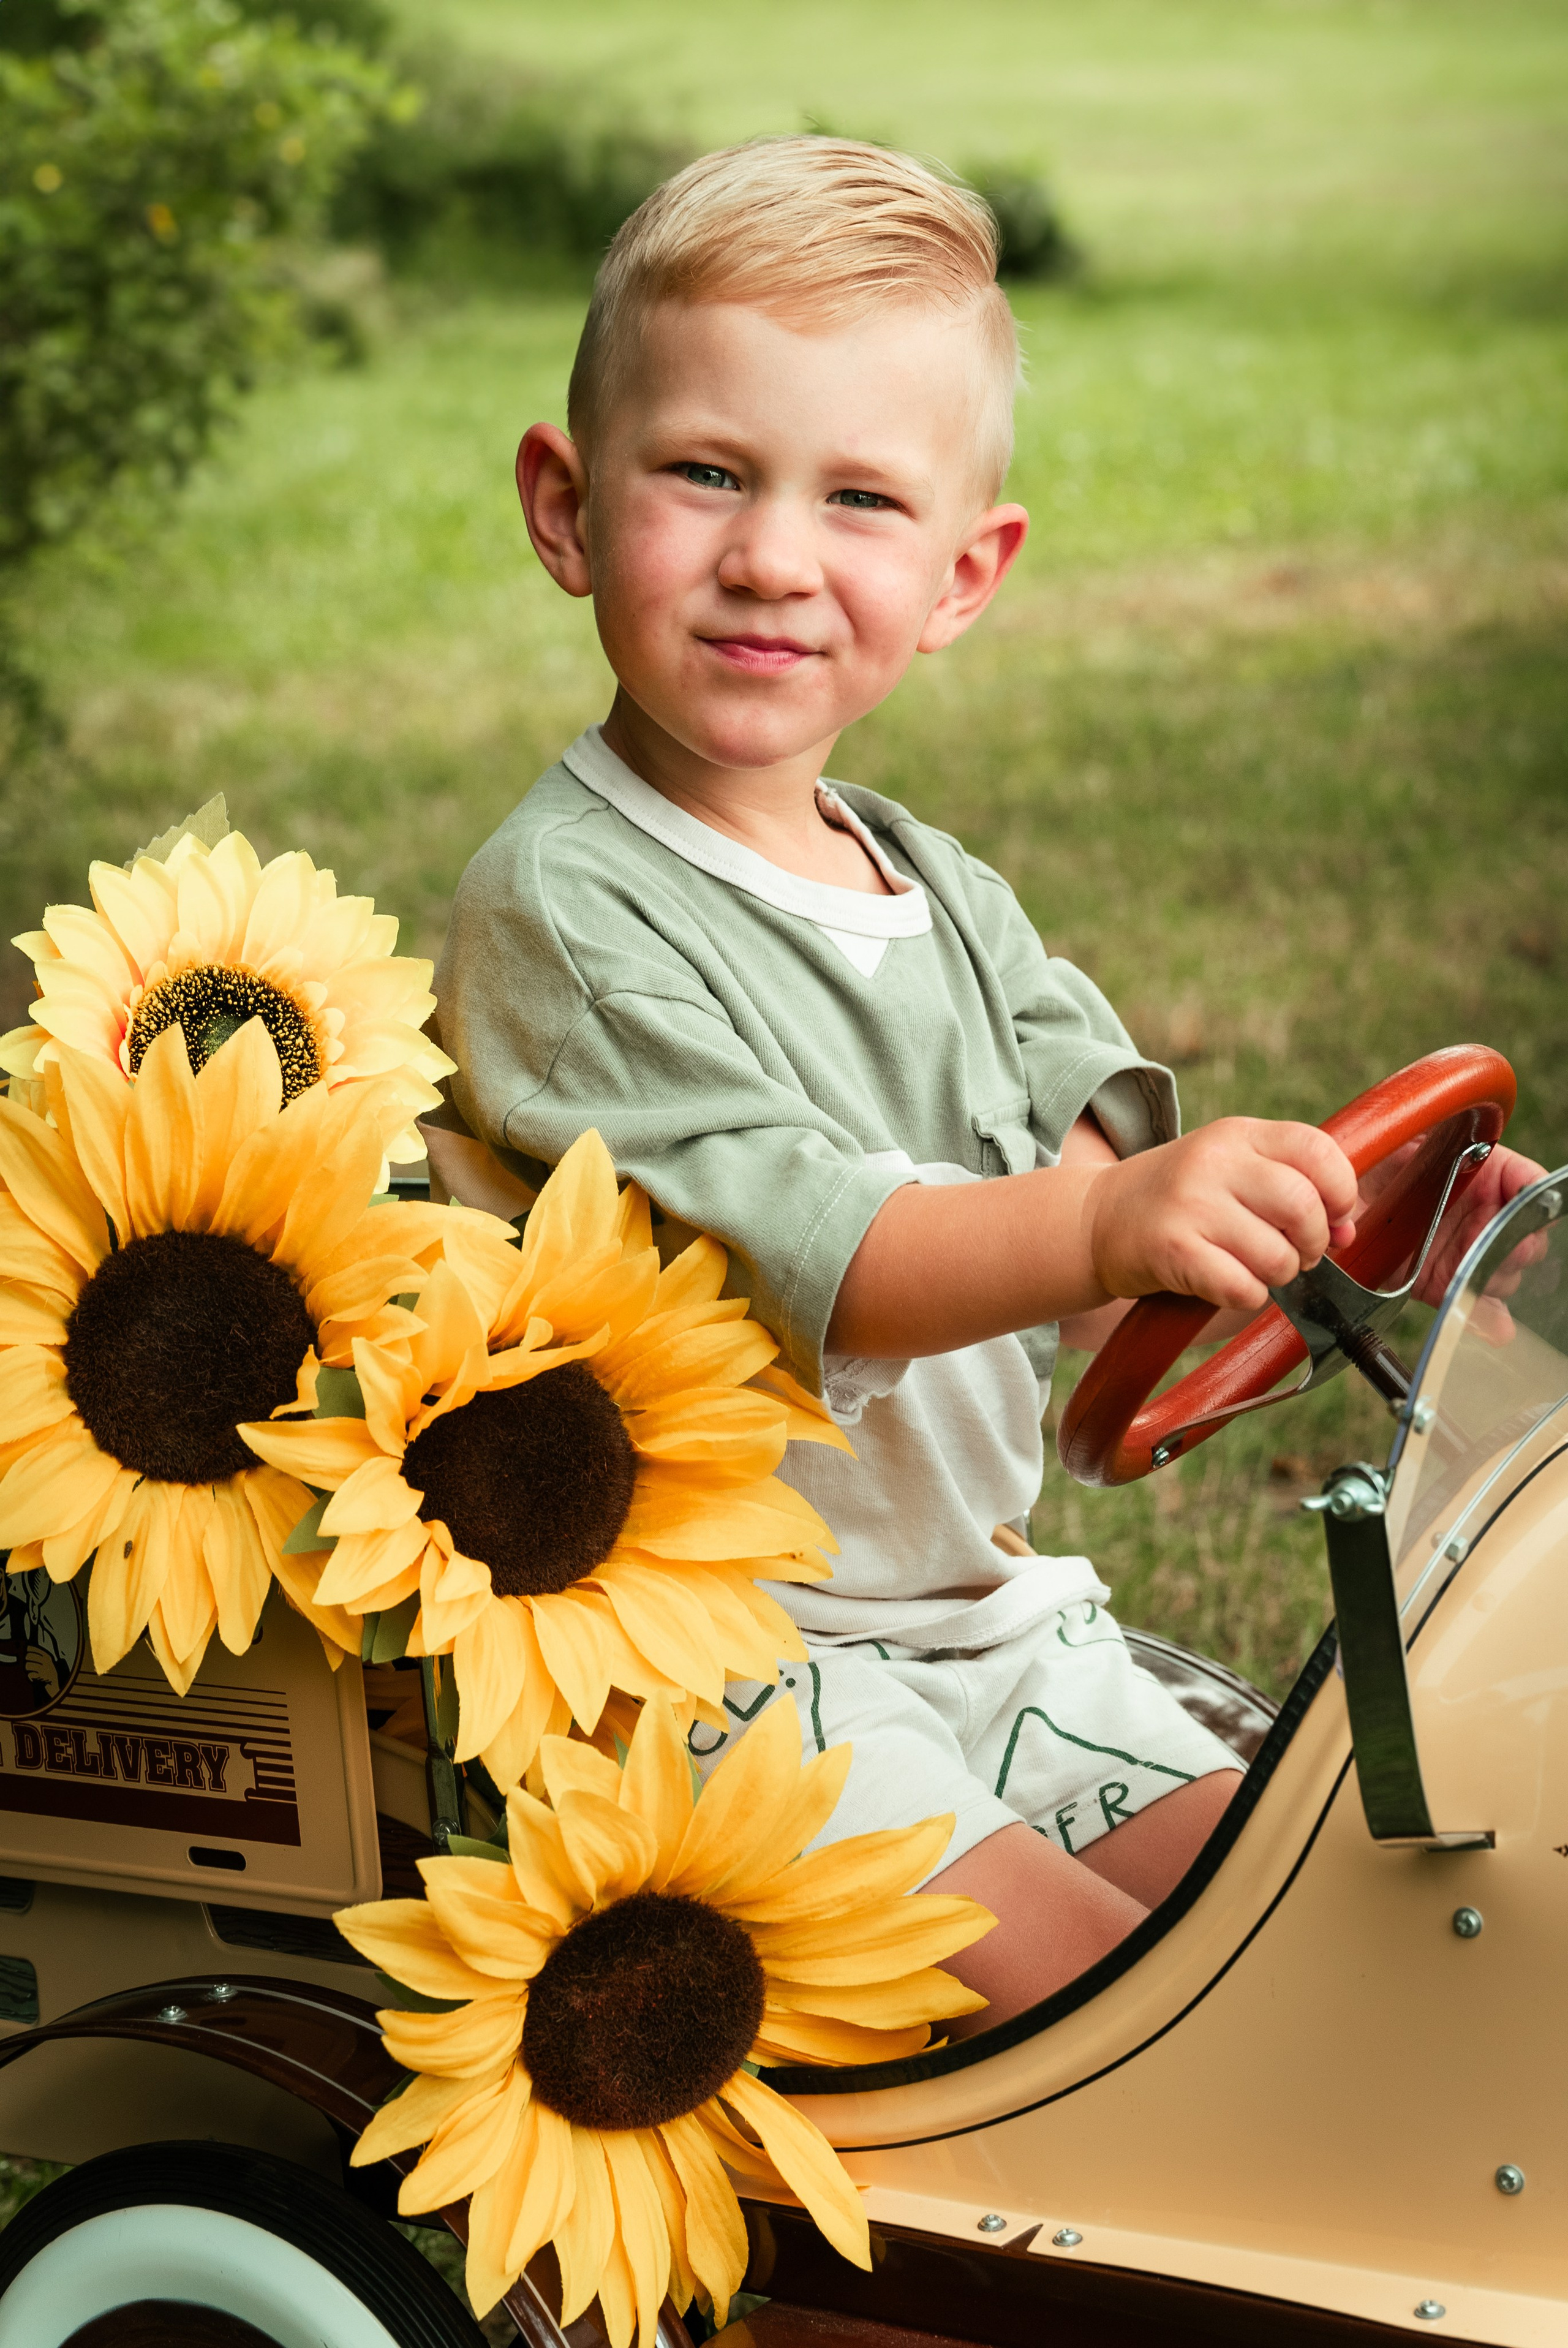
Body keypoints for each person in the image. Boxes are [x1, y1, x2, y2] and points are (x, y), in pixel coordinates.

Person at [429, 137, 1541, 2029]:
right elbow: (844, 1253)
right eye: (708, 473)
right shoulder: (567, 909)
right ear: (565, 502)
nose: (774, 553)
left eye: (860, 499)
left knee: (1327, 1925)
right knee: (1123, 2026)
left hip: (980, 1615)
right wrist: (1108, 1216)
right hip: (720, 1667)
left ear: (963, 574)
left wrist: (1367, 1225)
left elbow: (1121, 1223)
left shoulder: (934, 886)